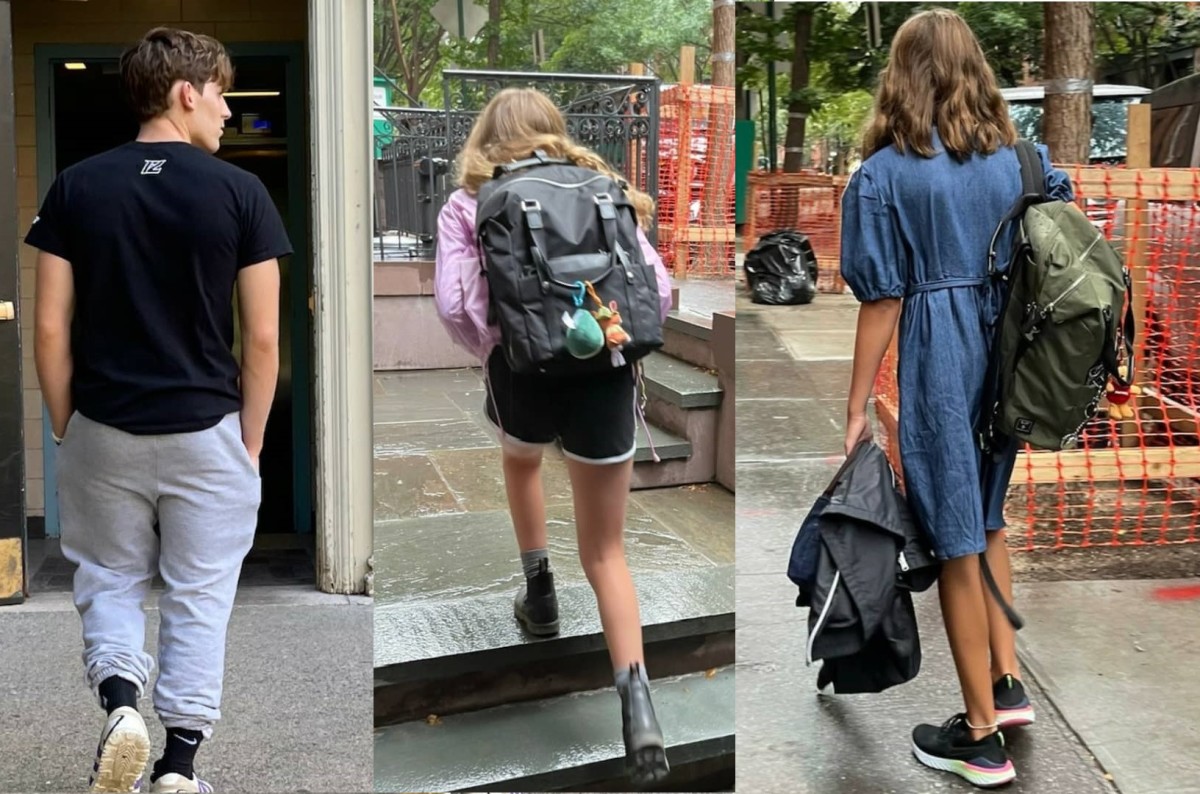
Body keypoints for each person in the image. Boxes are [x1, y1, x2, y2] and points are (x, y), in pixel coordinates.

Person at [29, 27, 290, 794]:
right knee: (199, 594)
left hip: (103, 427)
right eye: (221, 94)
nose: (227, 110)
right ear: (187, 91)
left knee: (107, 576)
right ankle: (178, 767)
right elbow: (265, 337)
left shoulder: (75, 185)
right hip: (208, 430)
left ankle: (120, 706)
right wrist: (252, 438)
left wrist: (62, 424)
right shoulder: (241, 193)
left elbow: (49, 327)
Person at [839, 8, 1073, 789]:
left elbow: (881, 299)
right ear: (975, 69)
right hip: (1012, 355)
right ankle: (1006, 688)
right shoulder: (1023, 158)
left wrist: (853, 407)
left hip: (944, 358)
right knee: (986, 514)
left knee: (953, 540)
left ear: (901, 75)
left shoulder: (885, 174)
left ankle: (978, 738)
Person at [434, 87, 674, 786]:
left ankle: (538, 594)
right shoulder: (608, 190)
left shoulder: (470, 203)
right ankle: (638, 705)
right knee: (606, 550)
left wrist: (495, 348)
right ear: (554, 132)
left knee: (521, 462)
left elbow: (456, 303)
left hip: (522, 373)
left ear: (487, 137)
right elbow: (656, 292)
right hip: (604, 374)